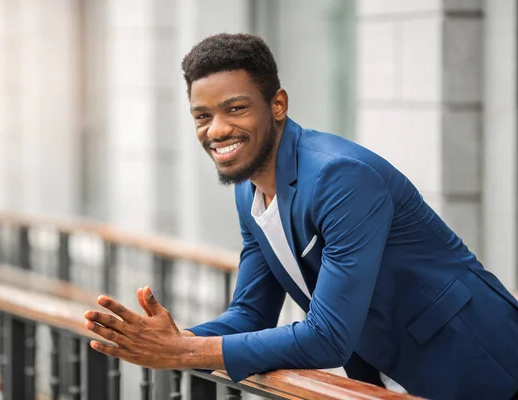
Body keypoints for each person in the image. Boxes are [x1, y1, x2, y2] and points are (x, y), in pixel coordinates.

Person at [84, 33, 518, 399]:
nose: (215, 130)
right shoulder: (249, 191)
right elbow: (249, 316)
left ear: (277, 105)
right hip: (388, 376)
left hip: (482, 365)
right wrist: (169, 341)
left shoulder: (341, 177)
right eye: (202, 116)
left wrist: (182, 354)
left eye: (235, 108)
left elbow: (327, 336)